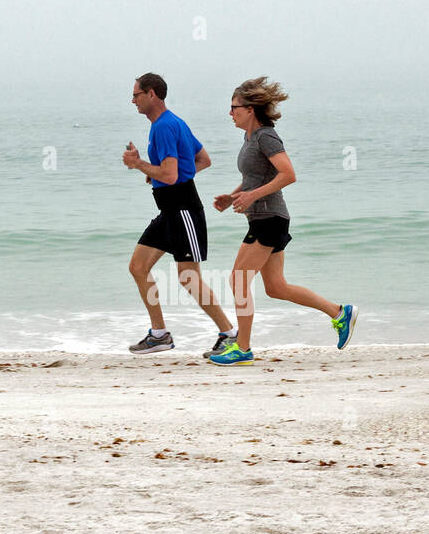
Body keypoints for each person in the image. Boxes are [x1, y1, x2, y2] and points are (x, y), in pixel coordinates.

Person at [209, 77, 357, 365]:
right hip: (264, 218)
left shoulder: (266, 136)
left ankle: (242, 348)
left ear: (250, 109)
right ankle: (340, 313)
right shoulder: (249, 138)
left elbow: (288, 174)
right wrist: (233, 196)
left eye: (234, 107)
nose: (230, 113)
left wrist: (251, 197)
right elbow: (254, 178)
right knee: (276, 287)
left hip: (270, 219)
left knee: (238, 279)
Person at [122, 73, 238, 356]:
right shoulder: (174, 122)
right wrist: (159, 176)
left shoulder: (163, 127)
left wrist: (140, 165)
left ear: (152, 94)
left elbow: (172, 174)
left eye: (136, 94)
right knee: (138, 267)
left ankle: (230, 333)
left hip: (183, 209)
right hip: (169, 211)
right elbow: (202, 160)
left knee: (188, 277)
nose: (133, 100)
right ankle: (159, 334)